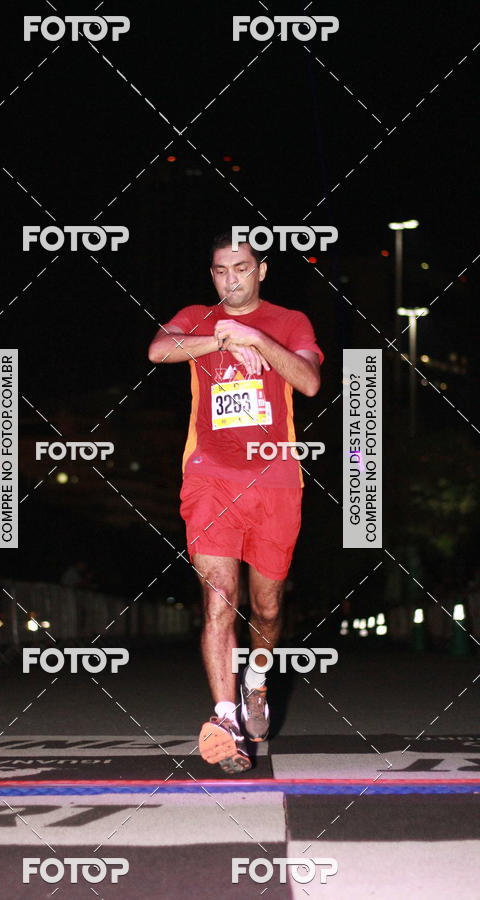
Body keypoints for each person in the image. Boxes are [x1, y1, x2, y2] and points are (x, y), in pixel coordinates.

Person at [148, 232, 323, 774]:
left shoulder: (291, 321)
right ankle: (225, 719)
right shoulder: (198, 316)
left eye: (242, 268)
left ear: (262, 270)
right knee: (219, 599)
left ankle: (255, 681)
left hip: (274, 480)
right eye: (222, 270)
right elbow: (158, 350)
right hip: (211, 478)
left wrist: (254, 338)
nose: (231, 279)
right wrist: (222, 340)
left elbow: (310, 382)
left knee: (267, 607)